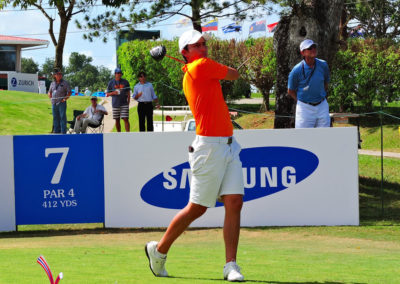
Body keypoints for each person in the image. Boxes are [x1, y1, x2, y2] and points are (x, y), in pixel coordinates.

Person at [145, 30, 245, 282]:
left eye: (204, 43)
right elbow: (234, 74)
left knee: (234, 202)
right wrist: (224, 69)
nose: (203, 47)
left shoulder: (200, 68)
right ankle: (159, 250)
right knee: (197, 208)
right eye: (196, 45)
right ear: (185, 53)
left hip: (229, 145)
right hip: (208, 148)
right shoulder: (201, 66)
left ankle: (230, 265)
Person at [287, 39, 331, 128]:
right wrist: (302, 101)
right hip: (304, 108)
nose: (313, 49)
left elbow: (326, 84)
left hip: (322, 106)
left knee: (324, 137)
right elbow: (290, 91)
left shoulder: (323, 65)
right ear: (302, 53)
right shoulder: (296, 70)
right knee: (303, 139)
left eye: (314, 47)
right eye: (309, 48)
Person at [106, 68, 130, 132]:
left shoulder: (125, 82)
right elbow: (107, 94)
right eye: (118, 73)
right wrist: (113, 93)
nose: (119, 74)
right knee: (117, 119)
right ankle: (118, 134)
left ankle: (128, 134)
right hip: (115, 104)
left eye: (120, 73)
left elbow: (128, 92)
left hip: (124, 103)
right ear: (115, 74)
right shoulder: (111, 82)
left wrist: (128, 102)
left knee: (126, 119)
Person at [48, 68, 71, 134]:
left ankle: (63, 131)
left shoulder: (65, 83)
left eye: (61, 74)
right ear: (55, 75)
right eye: (58, 74)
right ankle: (56, 131)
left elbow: (69, 92)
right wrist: (50, 97)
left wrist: (65, 99)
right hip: (54, 103)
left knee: (62, 117)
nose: (60, 75)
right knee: (55, 117)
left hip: (61, 103)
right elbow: (49, 92)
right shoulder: (52, 83)